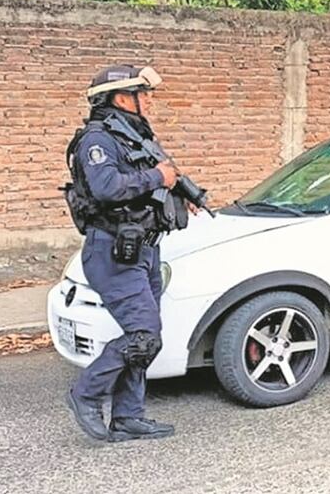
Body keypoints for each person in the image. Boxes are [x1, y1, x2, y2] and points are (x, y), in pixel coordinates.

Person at [63, 64, 195, 441]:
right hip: (113, 252)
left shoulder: (133, 135)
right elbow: (106, 188)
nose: (149, 101)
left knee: (146, 336)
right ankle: (85, 395)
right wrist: (158, 178)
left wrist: (183, 192)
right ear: (122, 98)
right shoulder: (98, 140)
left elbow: (164, 173)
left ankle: (128, 416)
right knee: (143, 335)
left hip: (144, 250)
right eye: (144, 94)